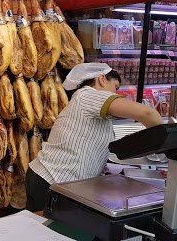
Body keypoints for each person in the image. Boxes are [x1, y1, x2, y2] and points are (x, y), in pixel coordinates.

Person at [26, 63, 163, 212]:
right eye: (115, 87)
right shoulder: (88, 95)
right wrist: (166, 142)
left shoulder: (86, 102)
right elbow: (148, 113)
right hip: (52, 181)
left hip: (50, 180)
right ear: (102, 79)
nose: (116, 93)